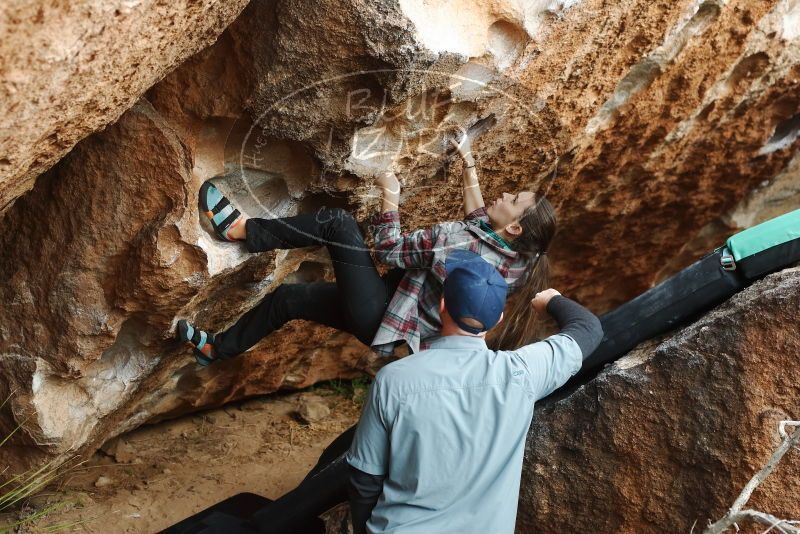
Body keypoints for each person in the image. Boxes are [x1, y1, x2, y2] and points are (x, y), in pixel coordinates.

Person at [176, 125, 556, 365]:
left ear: (517, 228)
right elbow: (480, 225)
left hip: (385, 316)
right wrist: (468, 165)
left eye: (513, 199)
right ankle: (217, 350)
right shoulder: (518, 262)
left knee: (338, 224)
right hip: (399, 326)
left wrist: (390, 195)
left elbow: (389, 248)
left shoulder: (453, 244)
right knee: (287, 301)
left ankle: (242, 230)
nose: (504, 193)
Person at [345, 249, 603, 534]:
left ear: (442, 306)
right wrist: (552, 300)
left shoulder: (393, 381)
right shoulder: (522, 373)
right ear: (498, 320)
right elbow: (588, 329)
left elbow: (364, 480)